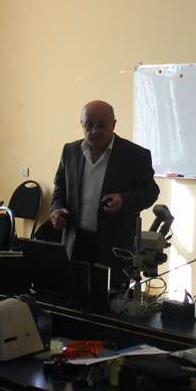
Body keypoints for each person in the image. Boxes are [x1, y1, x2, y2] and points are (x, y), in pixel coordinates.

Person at [50, 100, 160, 287]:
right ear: (81, 124)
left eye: (101, 125)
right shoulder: (70, 151)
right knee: (72, 298)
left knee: (110, 301)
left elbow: (151, 191)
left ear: (114, 125)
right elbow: (60, 187)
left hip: (114, 248)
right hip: (75, 244)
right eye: (89, 125)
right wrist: (56, 209)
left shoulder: (135, 155)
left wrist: (124, 201)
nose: (94, 131)